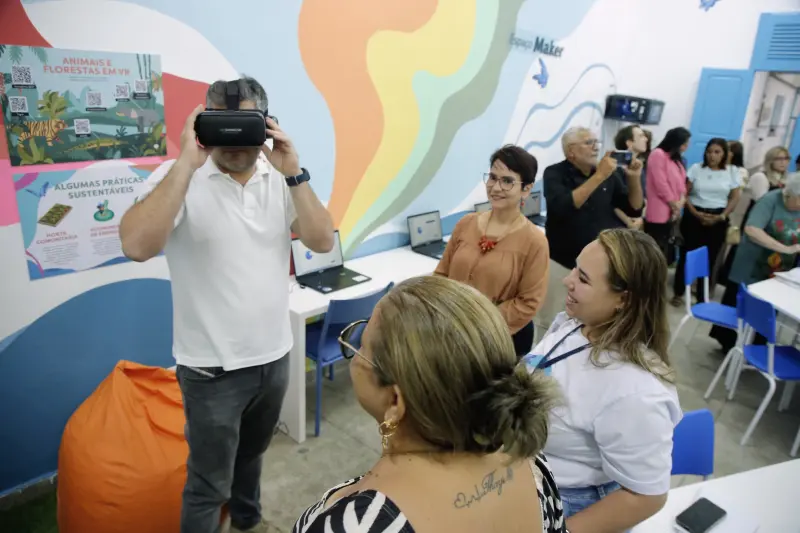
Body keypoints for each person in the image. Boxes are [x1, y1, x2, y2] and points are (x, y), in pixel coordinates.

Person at [120, 77, 334, 533]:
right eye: (223, 123)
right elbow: (136, 245)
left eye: (246, 124)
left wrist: (293, 170)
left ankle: (246, 522)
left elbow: (320, 240)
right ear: (202, 121)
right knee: (207, 484)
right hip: (211, 370)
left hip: (274, 356)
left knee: (252, 457)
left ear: (268, 125)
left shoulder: (280, 178)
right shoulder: (180, 178)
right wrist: (186, 164)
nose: (235, 140)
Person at [291, 275, 565, 533]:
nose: (355, 352)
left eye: (361, 346)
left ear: (396, 402)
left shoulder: (357, 525)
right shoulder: (532, 462)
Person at [531, 228, 681, 533]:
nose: (567, 280)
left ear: (623, 299)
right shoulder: (579, 324)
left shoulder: (636, 392)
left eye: (583, 279)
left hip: (565, 503)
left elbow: (646, 496)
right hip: (528, 475)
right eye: (575, 268)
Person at [435, 145, 549, 356]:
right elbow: (441, 275)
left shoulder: (534, 241)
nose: (496, 187)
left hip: (497, 341)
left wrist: (477, 323)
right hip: (450, 333)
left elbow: (528, 303)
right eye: (493, 178)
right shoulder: (466, 223)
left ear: (526, 188)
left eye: (507, 181)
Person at [540, 127, 643, 329]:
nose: (596, 148)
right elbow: (565, 205)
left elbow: (634, 207)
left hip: (597, 269)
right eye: (589, 143)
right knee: (550, 321)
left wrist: (634, 178)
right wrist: (600, 175)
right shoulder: (554, 173)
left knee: (588, 323)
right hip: (562, 263)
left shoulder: (608, 175)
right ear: (571, 151)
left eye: (597, 142)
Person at [711, 173, 800, 352]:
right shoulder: (770, 200)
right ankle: (731, 349)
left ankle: (756, 351)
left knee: (766, 314)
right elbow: (752, 229)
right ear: (789, 193)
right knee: (742, 309)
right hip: (752, 266)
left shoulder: (796, 204)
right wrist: (785, 249)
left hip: (778, 271)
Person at [672, 138, 741, 306]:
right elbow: (685, 193)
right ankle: (679, 292)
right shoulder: (696, 168)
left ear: (725, 154)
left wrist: (722, 216)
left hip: (718, 218)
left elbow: (734, 197)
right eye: (709, 152)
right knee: (687, 255)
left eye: (717, 152)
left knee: (709, 258)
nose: (712, 156)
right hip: (693, 217)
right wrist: (696, 213)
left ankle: (702, 296)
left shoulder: (732, 172)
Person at [643, 127, 690, 262]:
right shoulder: (658, 154)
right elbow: (660, 183)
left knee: (666, 251)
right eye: (684, 143)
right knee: (654, 250)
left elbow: (682, 183)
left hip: (674, 210)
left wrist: (680, 202)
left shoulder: (676, 159)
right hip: (659, 209)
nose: (686, 146)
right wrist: (673, 203)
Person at [612, 125, 649, 230]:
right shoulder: (616, 168)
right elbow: (611, 202)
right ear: (629, 142)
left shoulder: (639, 166)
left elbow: (644, 197)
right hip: (618, 225)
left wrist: (641, 217)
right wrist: (628, 221)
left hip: (636, 219)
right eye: (641, 136)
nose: (646, 139)